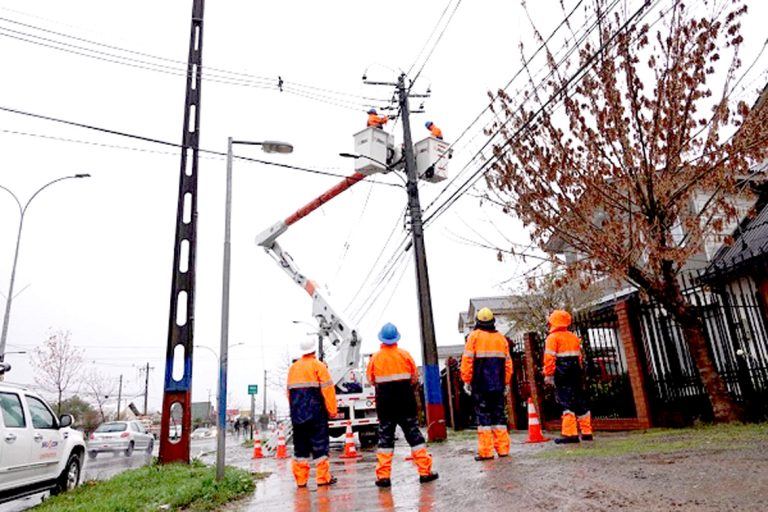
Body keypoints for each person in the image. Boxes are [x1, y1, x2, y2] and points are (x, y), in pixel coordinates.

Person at [366, 322, 439, 488]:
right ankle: (425, 472)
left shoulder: (375, 358)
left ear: (382, 339)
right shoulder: (405, 355)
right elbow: (414, 378)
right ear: (396, 338)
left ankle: (384, 477)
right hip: (405, 402)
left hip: (385, 404)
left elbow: (371, 380)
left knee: (385, 438)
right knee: (414, 436)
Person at [460, 307, 512, 460]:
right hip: (498, 384)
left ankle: (487, 452)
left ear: (477, 321)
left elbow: (467, 361)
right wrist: (506, 382)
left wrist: (467, 380)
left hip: (480, 384)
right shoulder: (501, 338)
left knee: (484, 418)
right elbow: (508, 364)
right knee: (499, 416)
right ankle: (503, 449)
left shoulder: (474, 337)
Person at [287, 337, 338, 487]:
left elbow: (289, 393)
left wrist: (294, 411)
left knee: (300, 448)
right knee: (320, 446)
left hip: (298, 415)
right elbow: (328, 390)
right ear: (314, 350)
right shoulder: (319, 366)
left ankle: (301, 480)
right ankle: (323, 478)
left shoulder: (293, 368)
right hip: (316, 413)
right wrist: (332, 411)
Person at [543, 310, 593, 444]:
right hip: (576, 371)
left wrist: (548, 375)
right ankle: (587, 432)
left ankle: (570, 434)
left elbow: (549, 358)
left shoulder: (552, 338)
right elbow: (580, 357)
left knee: (566, 401)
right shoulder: (573, 337)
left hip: (562, 372)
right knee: (580, 400)